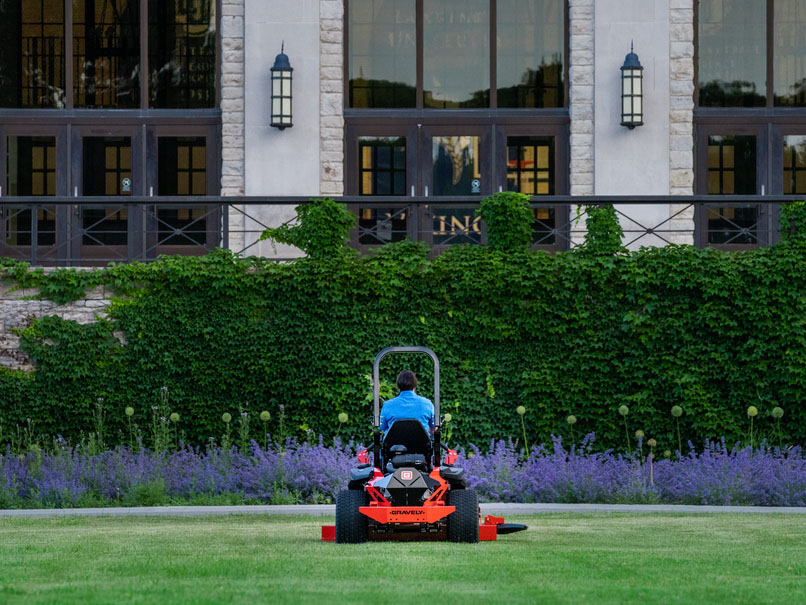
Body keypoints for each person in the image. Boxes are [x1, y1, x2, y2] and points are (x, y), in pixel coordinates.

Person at [379, 370, 434, 436]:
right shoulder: (427, 404)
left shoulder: (387, 405)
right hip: (421, 444)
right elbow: (433, 428)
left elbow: (381, 427)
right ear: (415, 385)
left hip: (394, 444)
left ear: (398, 385)